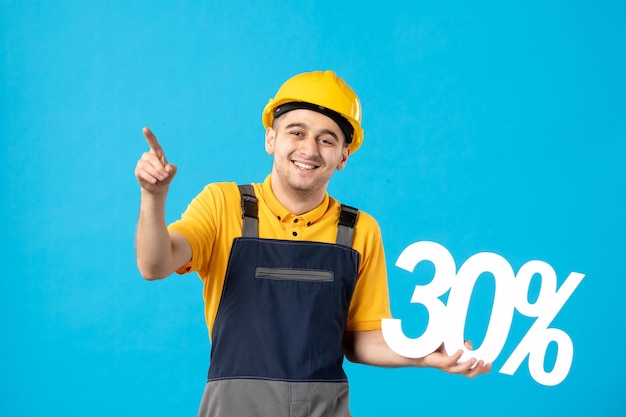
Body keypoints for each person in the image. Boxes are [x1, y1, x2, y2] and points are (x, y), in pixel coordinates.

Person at [134, 70, 491, 417]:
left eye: (327, 139)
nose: (310, 149)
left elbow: (360, 340)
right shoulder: (223, 205)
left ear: (343, 156)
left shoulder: (359, 230)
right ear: (271, 139)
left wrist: (423, 353)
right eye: (296, 132)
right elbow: (155, 265)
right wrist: (153, 196)